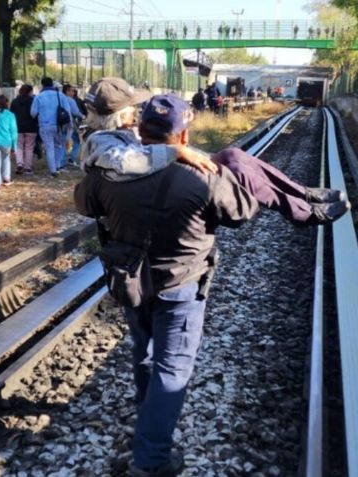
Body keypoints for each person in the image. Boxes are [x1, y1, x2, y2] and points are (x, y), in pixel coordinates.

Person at [74, 89, 259, 477]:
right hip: (181, 286)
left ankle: (148, 412)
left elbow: (85, 203)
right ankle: (152, 459)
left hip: (131, 281)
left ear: (139, 130)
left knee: (144, 351)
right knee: (172, 370)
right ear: (184, 135)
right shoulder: (203, 174)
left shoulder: (109, 171)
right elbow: (241, 213)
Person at [87, 93, 351, 226]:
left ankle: (303, 194)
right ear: (119, 115)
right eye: (131, 111)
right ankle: (304, 213)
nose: (135, 115)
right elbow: (120, 161)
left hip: (159, 160)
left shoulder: (124, 133)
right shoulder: (101, 139)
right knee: (237, 171)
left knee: (232, 155)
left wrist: (185, 152)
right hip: (158, 168)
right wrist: (178, 152)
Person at [31, 77, 72, 177]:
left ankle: (53, 171)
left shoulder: (39, 97)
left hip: (45, 125)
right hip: (60, 125)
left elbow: (33, 113)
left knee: (49, 148)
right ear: (52, 84)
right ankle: (57, 166)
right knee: (58, 146)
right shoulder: (61, 95)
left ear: (42, 85)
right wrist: (70, 125)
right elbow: (68, 110)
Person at [10, 84, 38, 175]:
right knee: (29, 147)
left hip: (18, 127)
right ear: (30, 91)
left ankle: (19, 164)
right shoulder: (33, 101)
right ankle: (27, 167)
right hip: (31, 127)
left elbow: (11, 114)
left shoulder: (15, 101)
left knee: (19, 147)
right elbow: (36, 113)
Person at [62, 84, 86, 167]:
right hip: (69, 123)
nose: (73, 93)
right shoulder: (70, 100)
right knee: (76, 142)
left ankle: (61, 162)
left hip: (60, 123)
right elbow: (75, 112)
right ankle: (71, 159)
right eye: (72, 91)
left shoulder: (59, 98)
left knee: (62, 142)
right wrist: (83, 116)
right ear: (67, 91)